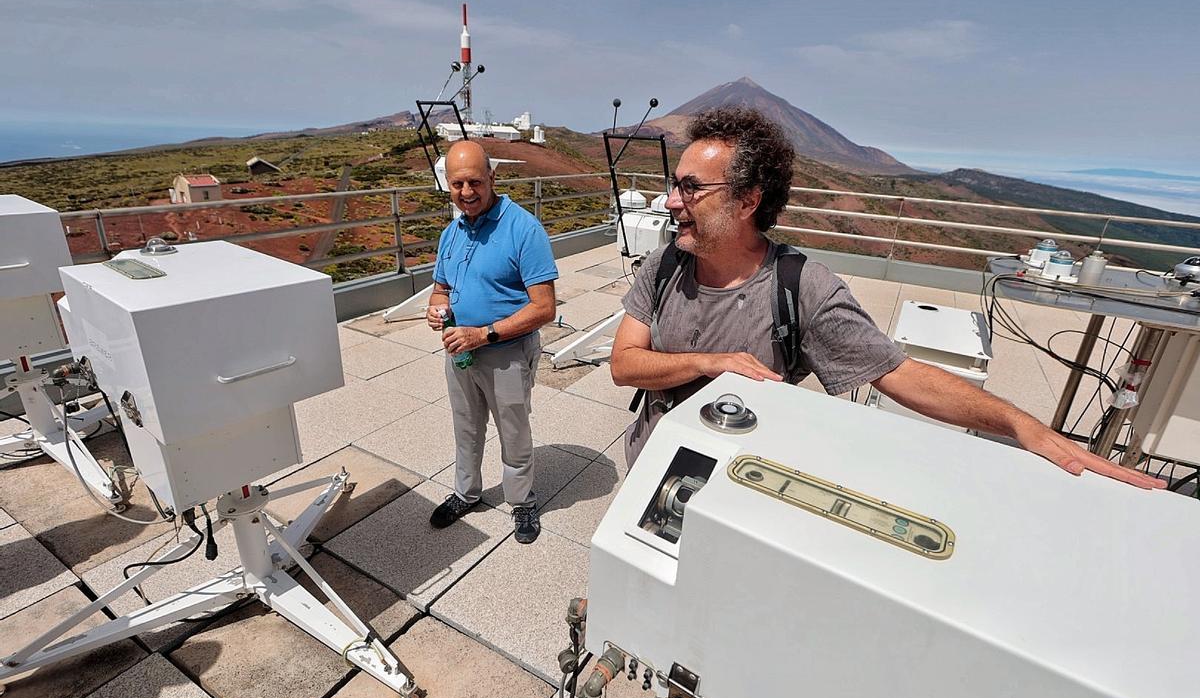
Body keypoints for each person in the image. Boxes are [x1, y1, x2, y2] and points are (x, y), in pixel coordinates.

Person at [610, 106, 1164, 490]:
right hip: (650, 454)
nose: (670, 200)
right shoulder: (665, 266)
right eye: (675, 183)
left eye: (690, 188)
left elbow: (898, 373)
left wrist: (1021, 425)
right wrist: (711, 362)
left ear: (750, 200)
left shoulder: (802, 287)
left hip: (732, 471)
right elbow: (623, 364)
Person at [425, 140, 559, 542]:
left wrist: (483, 333)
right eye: (457, 184)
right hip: (460, 353)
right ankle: (466, 494)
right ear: (447, 185)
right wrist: (436, 309)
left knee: (513, 431)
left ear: (492, 178)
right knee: (465, 427)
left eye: (475, 182)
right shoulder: (452, 232)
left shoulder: (523, 229)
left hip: (505, 353)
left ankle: (522, 502)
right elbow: (440, 289)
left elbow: (545, 307)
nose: (466, 193)